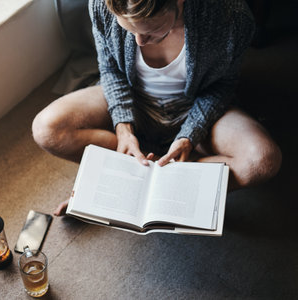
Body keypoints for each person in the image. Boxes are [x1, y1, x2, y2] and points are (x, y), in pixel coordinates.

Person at [32, 0, 282, 216]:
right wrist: (123, 127)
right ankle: (146, 178)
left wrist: (189, 137)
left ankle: (146, 183)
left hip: (194, 104)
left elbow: (222, 86)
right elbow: (110, 69)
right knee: (47, 129)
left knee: (262, 160)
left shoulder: (231, 18)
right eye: (128, 29)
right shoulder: (102, 4)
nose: (139, 41)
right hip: (133, 97)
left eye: (152, 31)